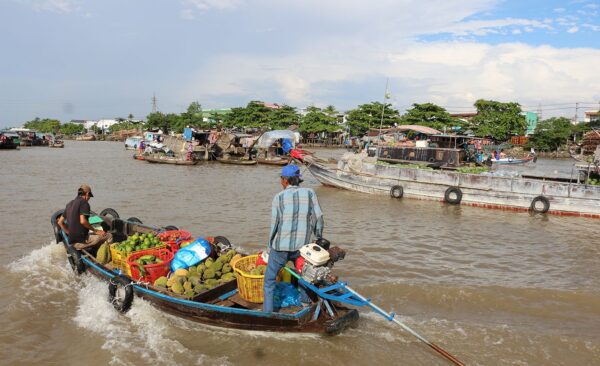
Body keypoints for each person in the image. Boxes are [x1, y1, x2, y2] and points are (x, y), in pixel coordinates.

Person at [263, 165, 324, 312]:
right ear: (298, 180)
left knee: (269, 281)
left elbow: (274, 225)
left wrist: (270, 246)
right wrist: (318, 237)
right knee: (305, 276)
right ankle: (305, 305)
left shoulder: (279, 197)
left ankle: (267, 312)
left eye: (281, 180)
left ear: (285, 180)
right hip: (303, 248)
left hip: (280, 247)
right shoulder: (310, 193)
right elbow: (318, 218)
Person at [57, 184, 109, 250]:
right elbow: (83, 221)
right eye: (90, 196)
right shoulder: (84, 203)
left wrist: (69, 233)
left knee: (96, 234)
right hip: (82, 242)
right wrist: (96, 231)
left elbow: (60, 222)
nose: (89, 198)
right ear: (87, 194)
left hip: (72, 242)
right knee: (109, 236)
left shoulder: (69, 204)